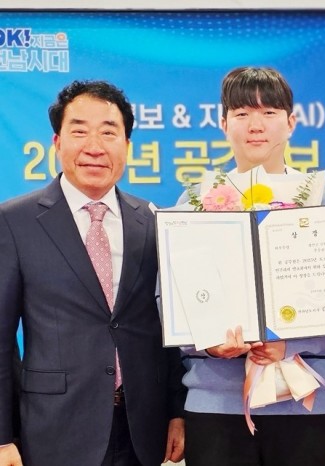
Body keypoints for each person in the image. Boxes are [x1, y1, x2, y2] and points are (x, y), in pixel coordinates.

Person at [178, 66, 325, 466]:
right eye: (242, 113)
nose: (255, 125)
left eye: (269, 112)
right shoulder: (196, 202)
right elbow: (172, 295)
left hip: (304, 398)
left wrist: (289, 342)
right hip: (215, 402)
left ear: (291, 122)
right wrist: (209, 342)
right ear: (223, 124)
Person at [0, 80, 187, 466]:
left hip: (141, 429)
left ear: (127, 145)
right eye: (80, 131)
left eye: (108, 132)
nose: (94, 147)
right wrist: (2, 438)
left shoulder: (151, 220)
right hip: (53, 430)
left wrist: (176, 412)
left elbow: (167, 328)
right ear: (57, 143)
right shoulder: (15, 221)